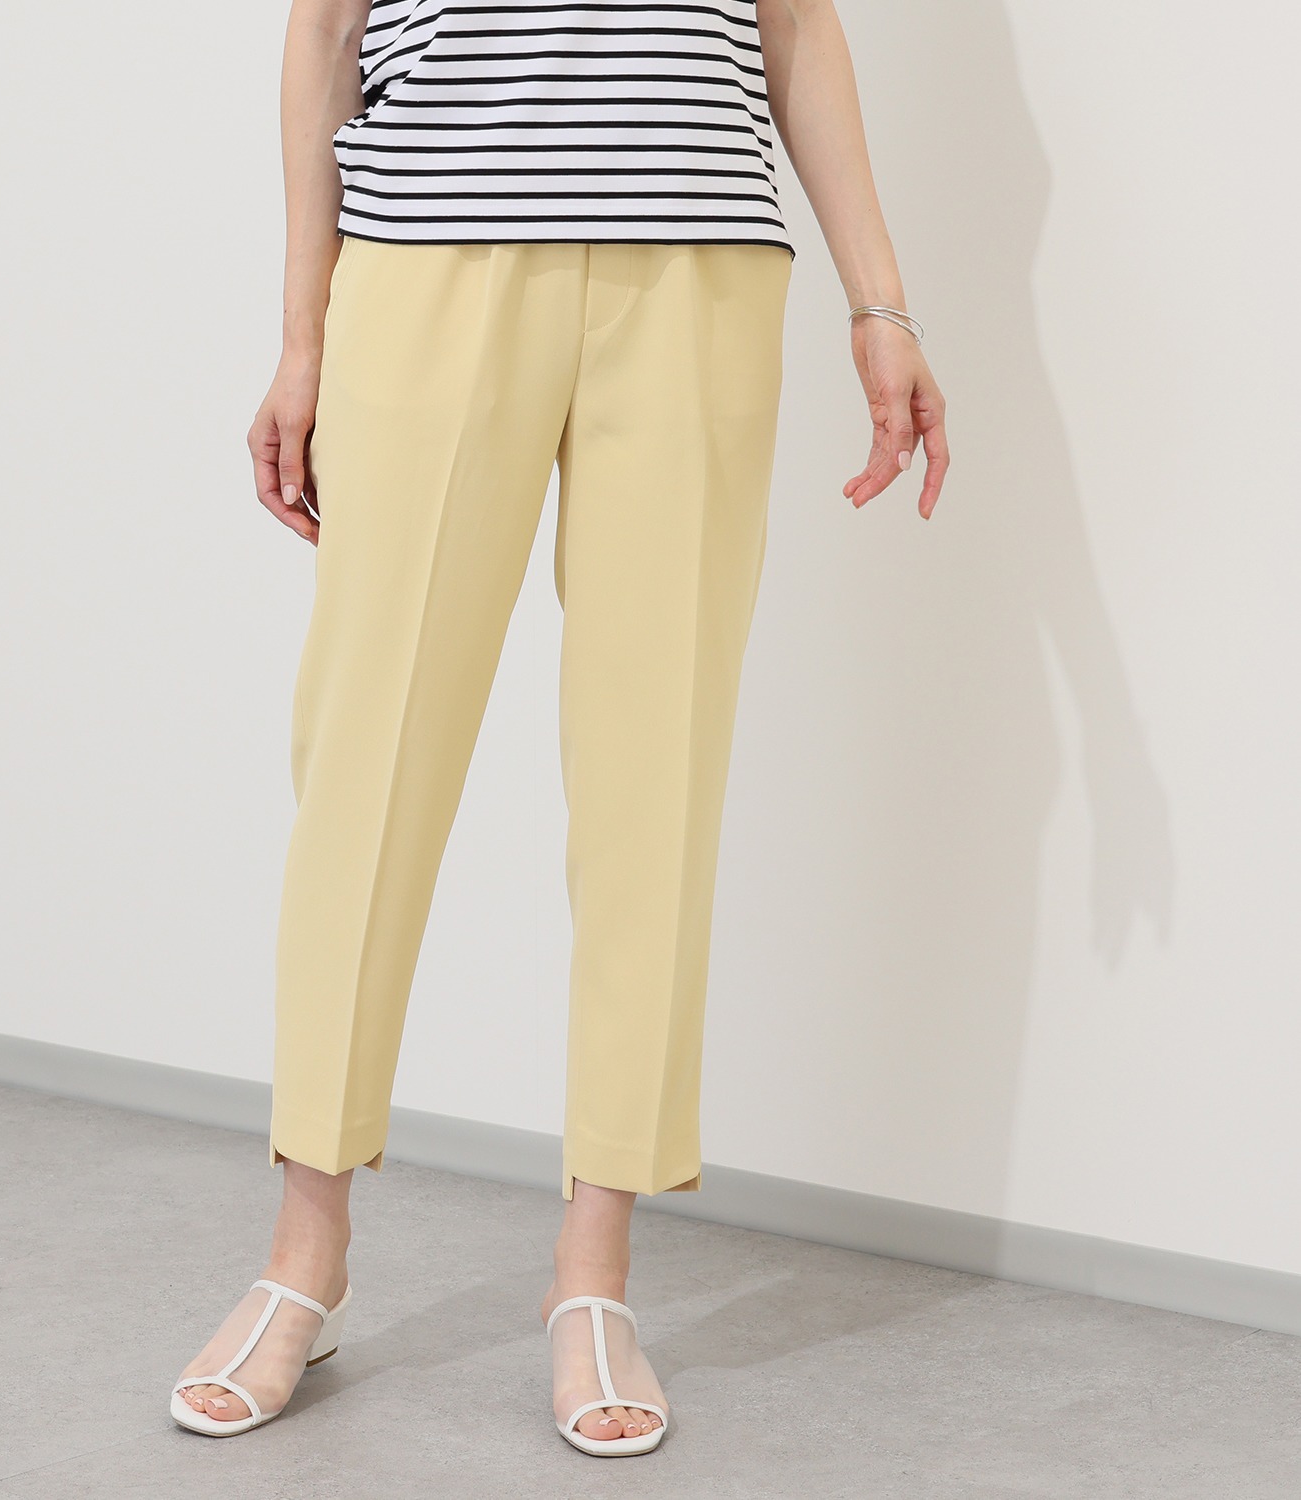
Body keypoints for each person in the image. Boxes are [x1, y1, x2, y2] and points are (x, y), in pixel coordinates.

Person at [170, 0, 949, 1456]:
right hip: (431, 257)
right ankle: (304, 1253)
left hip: (698, 268)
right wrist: (301, 335)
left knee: (658, 770)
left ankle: (595, 1275)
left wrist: (881, 304)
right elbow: (323, 30)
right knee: (368, 758)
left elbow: (797, 25)